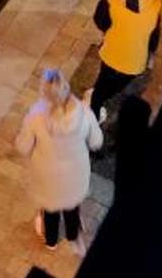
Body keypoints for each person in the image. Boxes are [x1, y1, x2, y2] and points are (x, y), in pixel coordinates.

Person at [14, 67, 102, 255]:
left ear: (44, 92)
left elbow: (23, 147)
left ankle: (51, 241)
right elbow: (97, 141)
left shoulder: (35, 117)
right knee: (71, 208)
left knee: (50, 212)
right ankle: (72, 234)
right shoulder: (84, 112)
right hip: (75, 176)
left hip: (47, 178)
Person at [89, 0, 162, 123]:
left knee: (102, 81)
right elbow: (156, 35)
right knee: (114, 86)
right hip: (134, 61)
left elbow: (99, 19)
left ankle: (95, 105)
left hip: (110, 49)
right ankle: (98, 100)